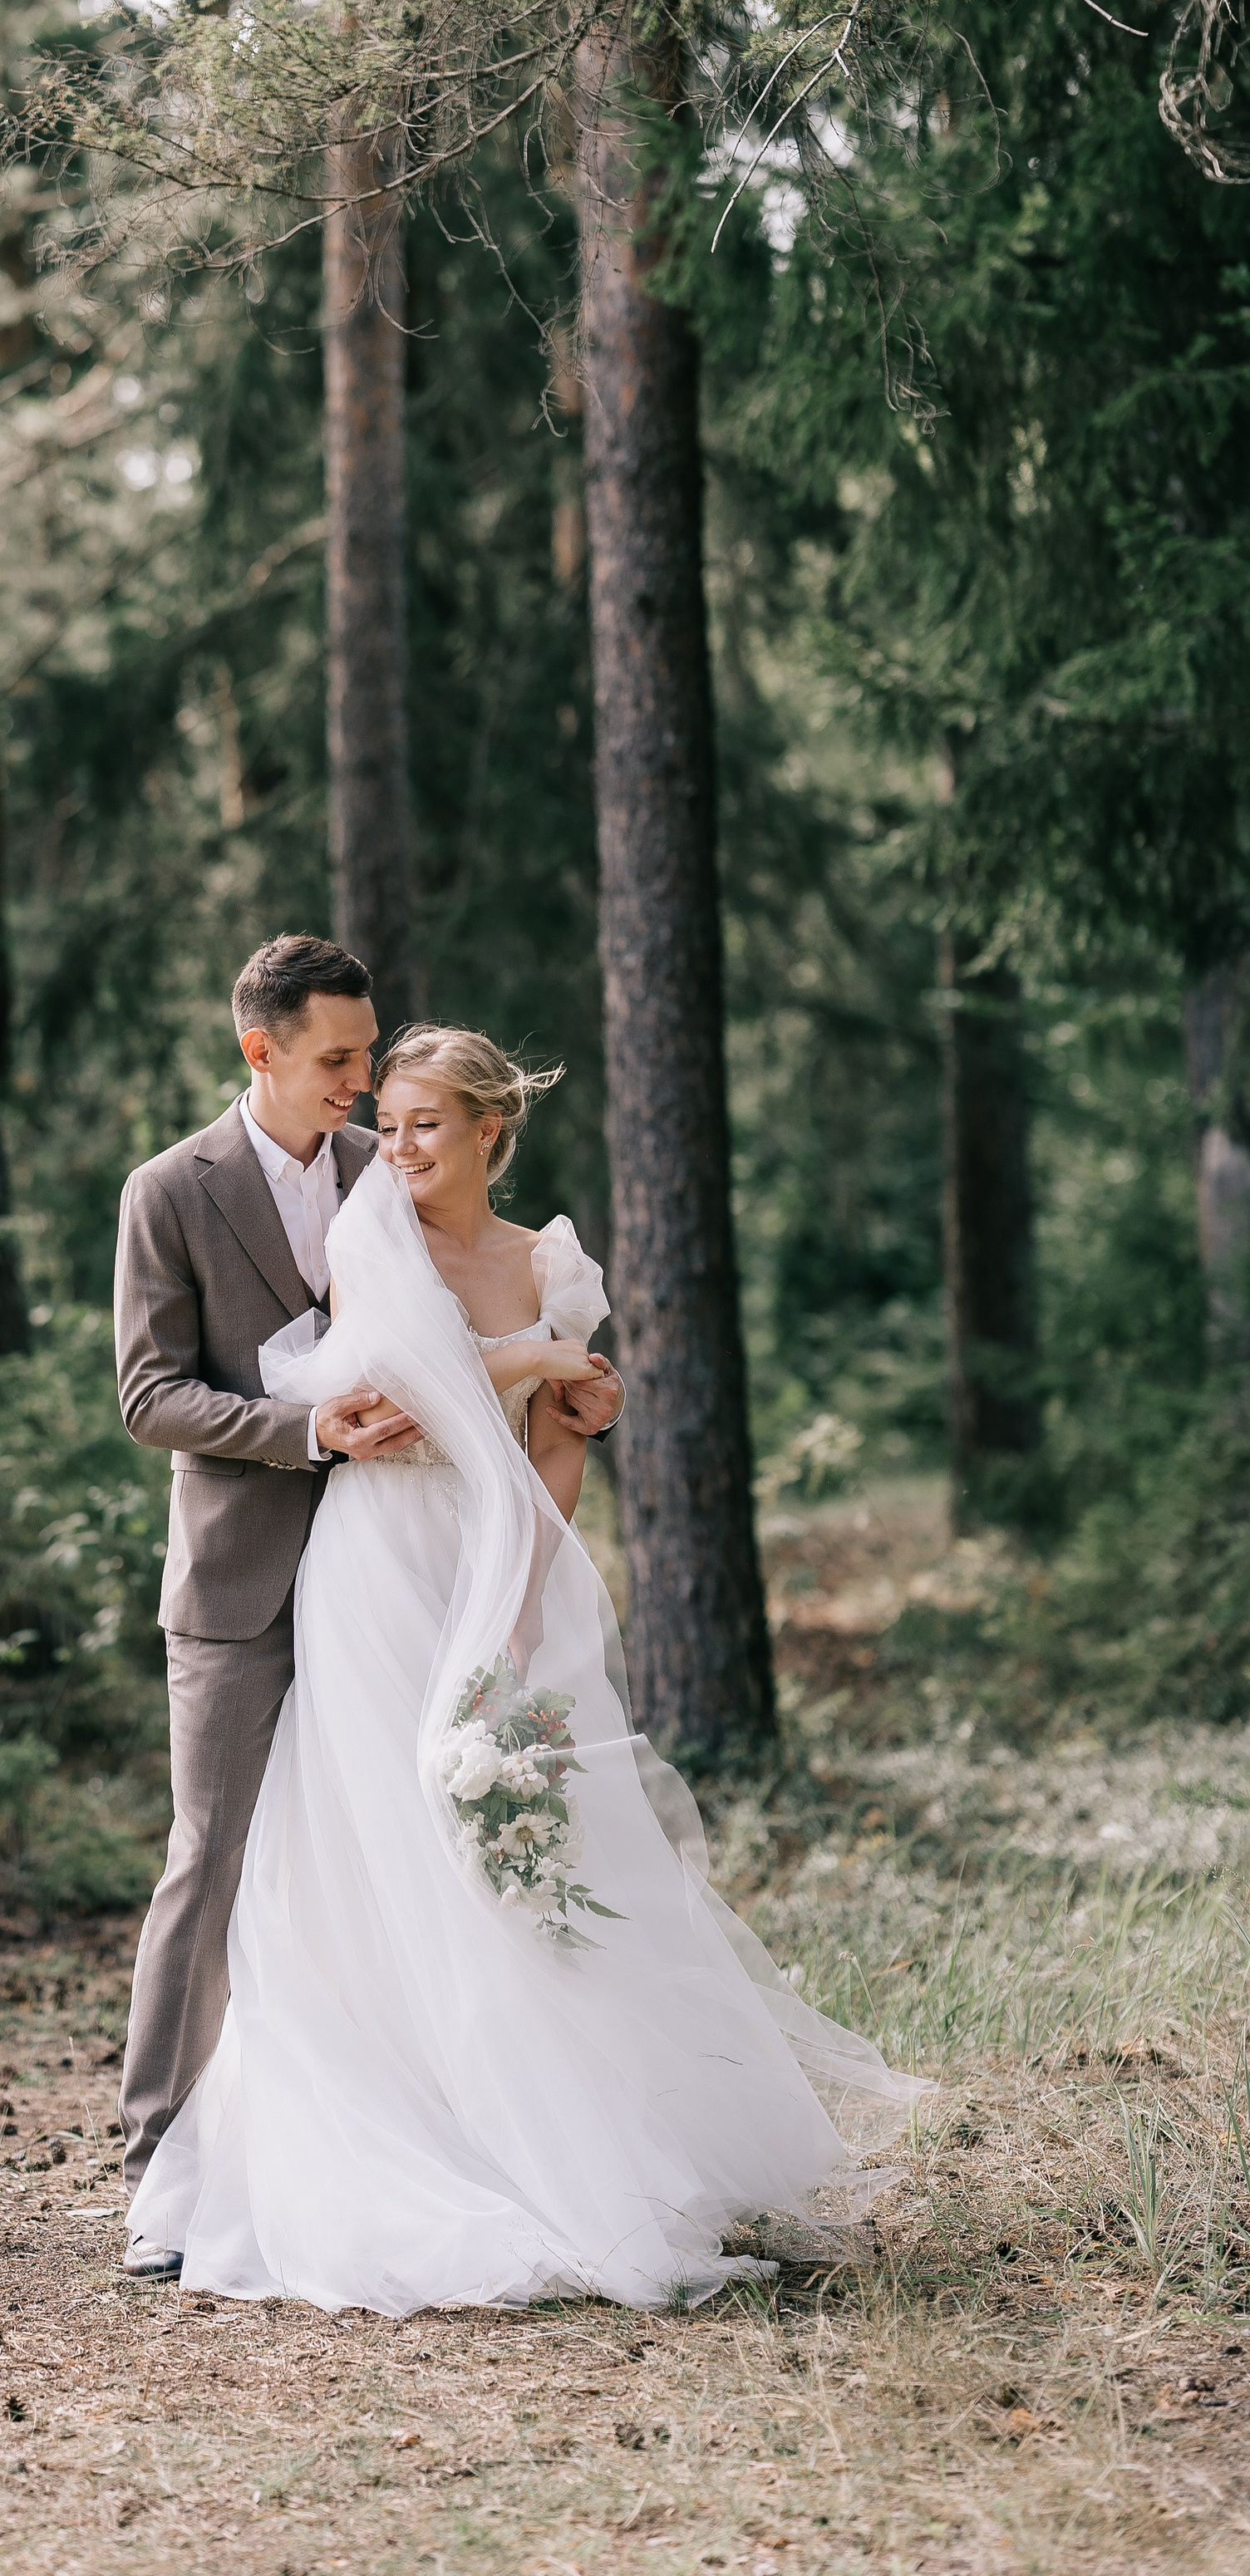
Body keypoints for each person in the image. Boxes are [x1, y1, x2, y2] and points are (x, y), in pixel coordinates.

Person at [123, 1022, 928, 2313]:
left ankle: (560, 2131)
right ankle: (400, 2119)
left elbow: (556, 1449)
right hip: (376, 1565)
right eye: (384, 1120)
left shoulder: (554, 1263)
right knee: (378, 1834)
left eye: (424, 1124)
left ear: (493, 1130)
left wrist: (528, 1581)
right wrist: (537, 1361)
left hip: (502, 1562)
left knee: (533, 1836)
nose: (394, 1144)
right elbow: (399, 1392)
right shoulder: (368, 1225)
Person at [112, 933, 426, 2271]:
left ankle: (365, 2149)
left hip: (382, 1572)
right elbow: (148, 1393)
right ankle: (157, 2171)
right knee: (213, 1856)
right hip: (237, 1581)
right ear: (263, 1051)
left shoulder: (382, 1174)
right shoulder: (168, 1191)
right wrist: (306, 1433)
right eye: (340, 1057)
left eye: (368, 1050)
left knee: (379, 1863)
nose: (365, 1079)